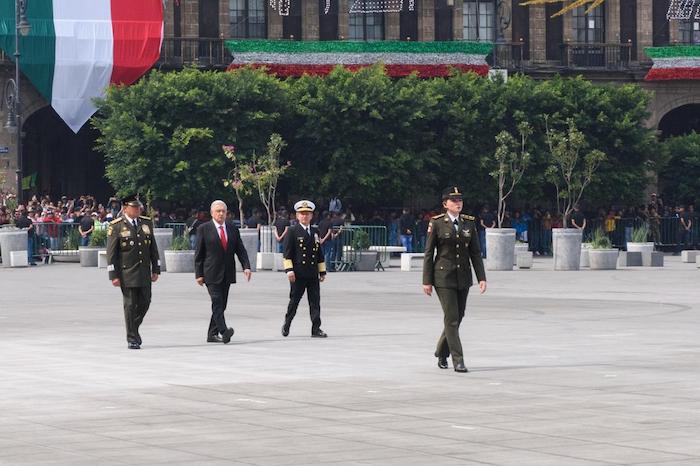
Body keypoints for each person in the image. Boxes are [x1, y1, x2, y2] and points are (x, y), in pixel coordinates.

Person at [423, 186, 487, 373]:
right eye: (454, 200)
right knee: (451, 318)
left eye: (460, 200)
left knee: (458, 316)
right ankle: (458, 360)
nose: (458, 203)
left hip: (463, 276)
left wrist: (481, 277)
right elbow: (429, 253)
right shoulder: (436, 223)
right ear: (445, 204)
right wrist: (426, 281)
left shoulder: (469, 223)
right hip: (443, 276)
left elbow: (475, 252)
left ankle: (441, 351)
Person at [106, 195, 161, 349]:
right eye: (134, 207)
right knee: (130, 305)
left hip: (144, 272)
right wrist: (113, 275)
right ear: (125, 208)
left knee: (145, 302)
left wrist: (156, 268)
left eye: (138, 207)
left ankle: (133, 328)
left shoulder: (146, 223)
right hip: (127, 273)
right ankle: (132, 338)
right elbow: (111, 254)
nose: (137, 210)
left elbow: (153, 248)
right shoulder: (116, 226)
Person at [195, 200, 252, 344]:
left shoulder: (232, 228)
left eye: (223, 211)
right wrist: (198, 274)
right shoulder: (204, 228)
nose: (221, 213)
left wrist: (246, 266)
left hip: (227, 272)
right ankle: (224, 331)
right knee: (217, 302)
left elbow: (240, 249)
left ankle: (211, 334)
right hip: (211, 273)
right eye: (218, 211)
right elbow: (199, 253)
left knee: (222, 304)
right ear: (212, 213)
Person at [282, 200, 328, 338]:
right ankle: (287, 323)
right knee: (294, 301)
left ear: (311, 215)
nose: (305, 216)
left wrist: (322, 271)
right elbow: (287, 253)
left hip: (312, 273)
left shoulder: (315, 231)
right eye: (302, 214)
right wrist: (289, 270)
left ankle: (316, 328)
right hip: (298, 273)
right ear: (297, 216)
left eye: (307, 214)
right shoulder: (292, 231)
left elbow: (318, 252)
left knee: (315, 302)